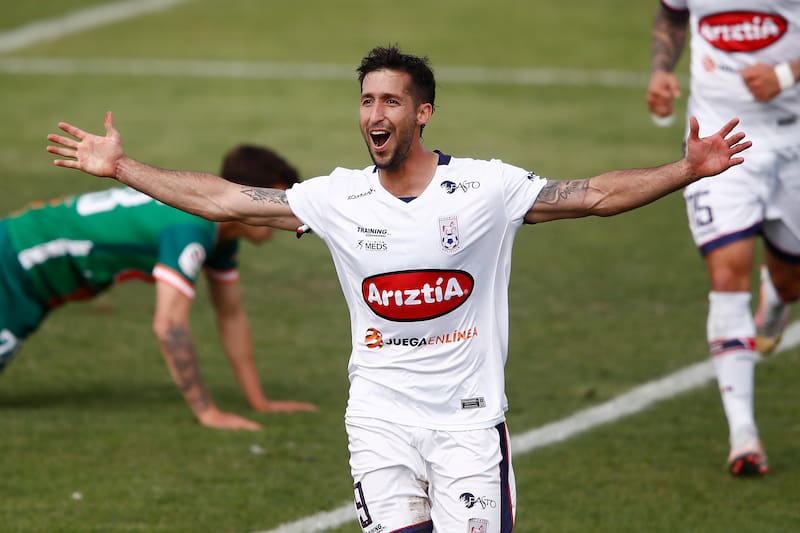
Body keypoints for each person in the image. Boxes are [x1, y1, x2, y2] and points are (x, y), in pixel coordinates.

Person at [48, 45, 750, 532]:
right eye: (365, 100)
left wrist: (683, 170)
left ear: (423, 114)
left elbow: (593, 194)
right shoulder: (337, 197)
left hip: (469, 425)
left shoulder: (484, 187)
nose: (373, 114)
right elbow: (228, 200)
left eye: (390, 100)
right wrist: (124, 167)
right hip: (379, 421)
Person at [1, 144, 317, 431]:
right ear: (249, 195)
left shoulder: (221, 235)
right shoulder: (193, 227)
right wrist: (207, 413)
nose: (284, 211)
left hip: (29, 274)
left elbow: (231, 313)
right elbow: (169, 325)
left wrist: (259, 401)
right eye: (278, 199)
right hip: (15, 265)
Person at [647, 1, 800, 477]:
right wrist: (660, 70)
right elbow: (672, 15)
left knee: (793, 280)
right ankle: (744, 435)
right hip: (719, 140)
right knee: (726, 273)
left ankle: (778, 296)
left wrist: (788, 74)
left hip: (795, 138)